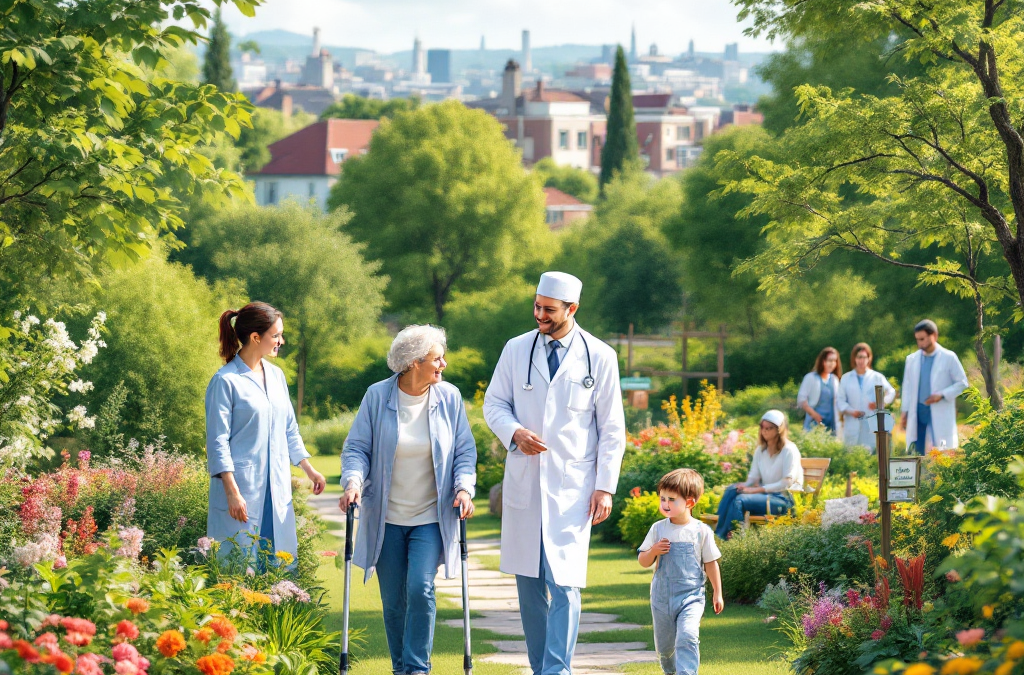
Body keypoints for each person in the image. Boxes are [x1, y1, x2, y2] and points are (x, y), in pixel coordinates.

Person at [483, 271, 626, 675]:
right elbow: (494, 404)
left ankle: (557, 670)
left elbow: (612, 429)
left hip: (573, 488)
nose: (539, 315)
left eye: (548, 309)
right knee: (528, 584)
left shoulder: (600, 356)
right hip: (526, 480)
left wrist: (605, 487)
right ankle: (541, 667)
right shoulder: (516, 349)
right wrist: (515, 432)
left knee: (565, 584)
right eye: (536, 305)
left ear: (571, 309)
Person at [339, 325, 477, 675]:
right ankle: (402, 668)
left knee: (420, 589)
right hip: (386, 519)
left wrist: (463, 488)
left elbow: (464, 450)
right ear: (414, 362)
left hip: (430, 517)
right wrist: (353, 482)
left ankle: (417, 668)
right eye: (436, 359)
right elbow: (357, 447)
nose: (443, 365)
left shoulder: (449, 398)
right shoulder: (377, 396)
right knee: (394, 603)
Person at [206, 302, 327, 562]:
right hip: (242, 490)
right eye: (276, 335)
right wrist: (232, 492)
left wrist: (309, 469)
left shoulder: (276, 376)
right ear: (255, 337)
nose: (281, 341)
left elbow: (289, 428)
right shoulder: (225, 381)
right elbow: (217, 442)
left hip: (276, 489)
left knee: (277, 565)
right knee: (239, 566)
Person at [638, 469, 724, 675]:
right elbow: (643, 560)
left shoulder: (701, 531)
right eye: (663, 498)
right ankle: (671, 671)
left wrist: (717, 593)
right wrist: (654, 550)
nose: (665, 504)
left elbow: (711, 563)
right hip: (662, 598)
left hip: (691, 596)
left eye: (672, 499)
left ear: (689, 503)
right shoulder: (658, 529)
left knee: (687, 636)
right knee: (665, 648)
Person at [713, 410, 803, 540]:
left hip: (783, 500)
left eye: (769, 428)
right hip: (765, 496)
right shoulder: (761, 450)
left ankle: (733, 538)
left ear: (779, 429)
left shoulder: (789, 450)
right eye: (762, 428)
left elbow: (787, 482)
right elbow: (753, 477)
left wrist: (756, 490)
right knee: (732, 490)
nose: (764, 431)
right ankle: (719, 533)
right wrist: (744, 486)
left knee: (740, 500)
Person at [899, 320, 969, 454]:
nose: (920, 343)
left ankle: (939, 474)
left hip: (939, 409)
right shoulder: (911, 359)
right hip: (918, 410)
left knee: (941, 449)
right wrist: (905, 412)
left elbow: (962, 383)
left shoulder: (949, 357)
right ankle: (921, 475)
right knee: (917, 450)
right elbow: (907, 388)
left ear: (934, 335)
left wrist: (942, 394)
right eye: (917, 340)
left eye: (923, 339)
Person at [838, 343, 896, 450]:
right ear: (854, 358)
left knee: (870, 454)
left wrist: (880, 403)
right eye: (859, 357)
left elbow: (891, 392)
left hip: (870, 423)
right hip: (852, 422)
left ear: (869, 358)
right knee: (851, 455)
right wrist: (852, 411)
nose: (861, 361)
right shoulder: (846, 378)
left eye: (864, 357)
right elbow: (840, 401)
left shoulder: (877, 377)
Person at [797, 347, 843, 434]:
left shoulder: (834, 380)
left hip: (831, 425)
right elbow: (801, 400)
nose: (832, 364)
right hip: (814, 423)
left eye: (834, 361)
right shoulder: (810, 377)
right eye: (829, 360)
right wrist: (814, 415)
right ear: (822, 361)